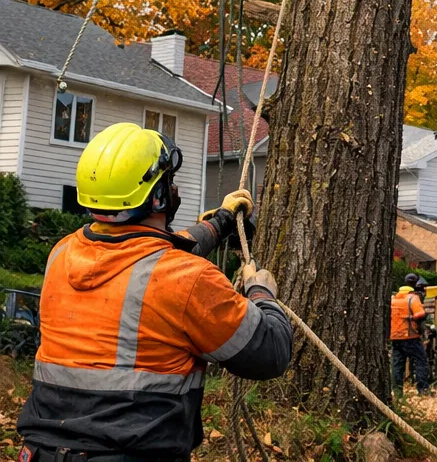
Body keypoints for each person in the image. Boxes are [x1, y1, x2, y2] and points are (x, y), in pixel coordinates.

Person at [18, 123, 292, 462]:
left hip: (41, 451)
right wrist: (262, 292)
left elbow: (146, 258)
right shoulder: (187, 280)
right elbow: (270, 353)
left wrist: (219, 223)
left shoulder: (61, 255)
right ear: (159, 195)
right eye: (169, 182)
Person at [391, 281, 430, 395]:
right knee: (420, 360)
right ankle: (422, 389)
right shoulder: (412, 298)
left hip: (395, 336)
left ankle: (397, 391)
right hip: (410, 336)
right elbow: (420, 314)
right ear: (411, 290)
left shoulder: (393, 300)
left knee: (397, 365)